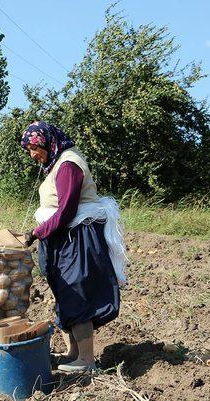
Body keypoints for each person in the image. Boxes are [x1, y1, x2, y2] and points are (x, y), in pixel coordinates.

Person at [21, 120, 127, 372]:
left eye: (35, 148)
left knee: (76, 291)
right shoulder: (56, 163)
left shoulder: (68, 164)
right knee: (64, 290)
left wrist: (37, 233)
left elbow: (67, 210)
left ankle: (87, 360)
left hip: (76, 237)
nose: (33, 155)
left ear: (47, 142)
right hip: (62, 237)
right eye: (29, 151)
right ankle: (73, 353)